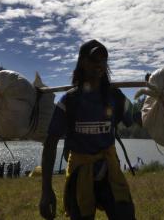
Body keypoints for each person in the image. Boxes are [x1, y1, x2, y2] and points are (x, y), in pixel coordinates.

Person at [40, 40, 138, 220]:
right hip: (80, 174)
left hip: (110, 173)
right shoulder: (68, 101)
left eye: (103, 59)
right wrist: (46, 190)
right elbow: (50, 144)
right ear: (82, 62)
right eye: (94, 59)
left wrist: (157, 96)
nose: (99, 63)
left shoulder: (115, 96)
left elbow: (137, 117)